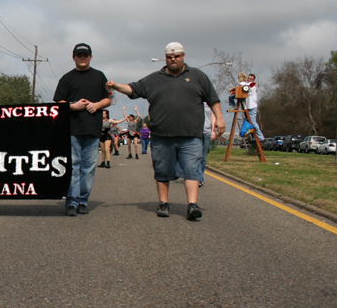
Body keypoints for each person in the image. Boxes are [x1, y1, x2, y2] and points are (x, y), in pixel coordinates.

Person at [106, 42, 225, 221]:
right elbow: (133, 89)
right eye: (170, 57)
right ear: (165, 58)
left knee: (192, 169)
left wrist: (220, 118)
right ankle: (163, 203)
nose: (173, 59)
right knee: (162, 170)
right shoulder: (154, 79)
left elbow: (213, 99)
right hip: (162, 135)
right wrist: (115, 86)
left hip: (191, 135)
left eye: (177, 56)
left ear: (183, 56)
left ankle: (192, 205)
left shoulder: (198, 76)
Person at [53, 43, 111, 216]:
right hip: (71, 130)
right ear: (74, 58)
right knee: (73, 166)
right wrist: (73, 106)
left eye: (85, 55)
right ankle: (71, 201)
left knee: (88, 167)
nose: (82, 57)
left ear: (91, 57)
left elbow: (107, 100)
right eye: (79, 55)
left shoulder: (99, 76)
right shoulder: (67, 78)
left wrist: (97, 105)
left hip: (93, 129)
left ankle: (83, 200)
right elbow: (59, 102)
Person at [245, 73, 263, 142]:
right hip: (248, 106)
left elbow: (245, 88)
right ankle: (253, 136)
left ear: (253, 80)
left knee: (253, 121)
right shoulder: (247, 84)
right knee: (249, 122)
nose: (249, 79)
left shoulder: (252, 86)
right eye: (248, 78)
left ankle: (260, 136)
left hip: (252, 106)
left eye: (251, 79)